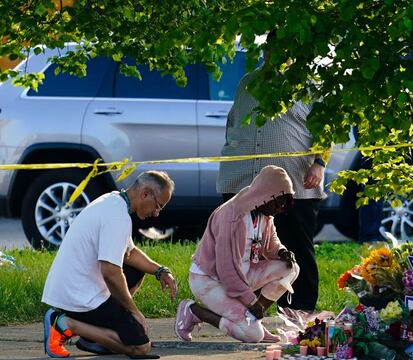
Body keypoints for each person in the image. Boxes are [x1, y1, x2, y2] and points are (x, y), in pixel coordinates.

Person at [216, 34, 325, 311]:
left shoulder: (309, 84)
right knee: (240, 249)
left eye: (281, 49)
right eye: (269, 49)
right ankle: (240, 308)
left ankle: (300, 311)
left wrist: (319, 162)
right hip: (243, 180)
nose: (272, 55)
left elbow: (326, 128)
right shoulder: (247, 83)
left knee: (294, 248)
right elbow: (233, 123)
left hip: (294, 182)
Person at [41, 170, 177, 358]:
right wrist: (134, 312)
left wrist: (161, 271)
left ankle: (94, 336)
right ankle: (65, 324)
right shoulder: (117, 217)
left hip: (74, 289)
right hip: (78, 298)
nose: (156, 213)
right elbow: (110, 273)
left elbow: (129, 254)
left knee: (137, 270)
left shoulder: (113, 201)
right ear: (145, 193)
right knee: (140, 348)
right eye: (158, 206)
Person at [175, 165, 300, 343]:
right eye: (278, 203)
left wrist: (282, 252)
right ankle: (194, 311)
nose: (279, 209)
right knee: (253, 336)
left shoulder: (264, 213)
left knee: (290, 268)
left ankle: (254, 317)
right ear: (266, 195)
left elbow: (271, 243)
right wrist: (251, 302)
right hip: (210, 280)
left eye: (283, 206)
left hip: (240, 275)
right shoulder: (232, 216)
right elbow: (226, 270)